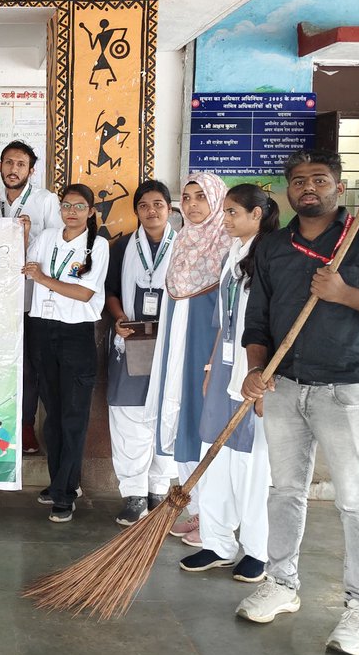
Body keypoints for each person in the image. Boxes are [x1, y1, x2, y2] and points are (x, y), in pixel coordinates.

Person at [238, 149, 359, 655]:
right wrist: (255, 370)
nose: (308, 187)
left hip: (346, 388)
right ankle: (282, 584)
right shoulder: (273, 247)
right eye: (299, 180)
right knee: (284, 490)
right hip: (284, 385)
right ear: (287, 190)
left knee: (357, 500)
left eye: (320, 179)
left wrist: (343, 293)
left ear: (340, 185)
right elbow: (258, 318)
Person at [179, 183, 278, 583]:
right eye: (227, 211)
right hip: (223, 367)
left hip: (254, 370)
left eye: (234, 212)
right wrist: (208, 368)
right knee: (214, 453)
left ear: (257, 215)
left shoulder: (270, 255)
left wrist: (266, 376)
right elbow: (224, 320)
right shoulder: (233, 254)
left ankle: (257, 549)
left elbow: (272, 321)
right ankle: (218, 543)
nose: (226, 219)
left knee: (250, 464)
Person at [147, 172, 231, 538]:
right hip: (178, 340)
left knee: (206, 417)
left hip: (207, 341)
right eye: (188, 196)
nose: (194, 204)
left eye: (202, 197)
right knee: (182, 414)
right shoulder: (182, 240)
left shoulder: (229, 243)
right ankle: (198, 509)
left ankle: (219, 520)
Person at [24, 183, 110, 523]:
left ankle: (64, 494)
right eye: (65, 205)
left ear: (90, 211)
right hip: (43, 330)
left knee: (73, 416)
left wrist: (44, 278)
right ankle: (61, 482)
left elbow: (84, 294)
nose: (70, 212)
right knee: (53, 416)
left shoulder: (97, 245)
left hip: (75, 335)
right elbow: (26, 265)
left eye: (78, 206)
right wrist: (25, 233)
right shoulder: (47, 239)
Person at [105, 180, 177, 524]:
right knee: (128, 417)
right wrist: (119, 319)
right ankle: (133, 494)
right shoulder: (120, 248)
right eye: (145, 205)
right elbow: (110, 291)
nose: (152, 211)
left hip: (171, 343)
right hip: (131, 341)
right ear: (136, 211)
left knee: (168, 414)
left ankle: (158, 488)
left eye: (158, 204)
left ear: (169, 209)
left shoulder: (185, 248)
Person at [0, 140, 62, 455]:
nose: (13, 169)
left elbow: (59, 247)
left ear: (31, 170)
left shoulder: (46, 201)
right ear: (0, 167)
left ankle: (26, 428)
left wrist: (29, 236)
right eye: (8, 163)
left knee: (29, 367)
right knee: (0, 364)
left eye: (20, 164)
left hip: (33, 300)